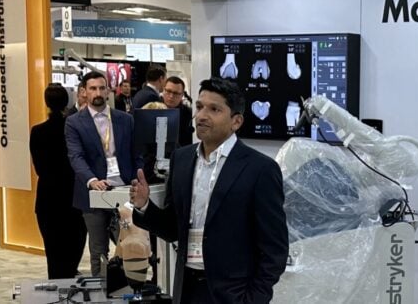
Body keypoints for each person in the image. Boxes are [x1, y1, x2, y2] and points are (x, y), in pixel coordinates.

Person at [131, 79, 287, 304]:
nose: (202, 115)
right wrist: (145, 205)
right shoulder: (182, 159)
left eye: (214, 109)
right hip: (187, 288)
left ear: (236, 121)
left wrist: (254, 297)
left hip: (234, 293)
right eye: (199, 107)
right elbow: (174, 228)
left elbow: (275, 248)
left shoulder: (260, 169)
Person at [66, 71, 142, 277]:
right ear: (84, 92)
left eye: (102, 88)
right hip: (94, 192)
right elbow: (76, 156)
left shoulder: (125, 119)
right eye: (93, 88)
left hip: (125, 189)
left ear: (108, 90)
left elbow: (138, 152)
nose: (98, 92)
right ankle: (100, 291)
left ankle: (127, 290)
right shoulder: (74, 122)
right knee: (98, 249)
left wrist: (137, 176)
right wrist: (91, 180)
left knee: (130, 245)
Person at [33, 83, 87, 279]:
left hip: (48, 199)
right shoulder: (76, 128)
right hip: (74, 197)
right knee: (72, 253)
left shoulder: (37, 132)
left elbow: (39, 168)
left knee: (53, 256)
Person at [162, 76, 195, 147]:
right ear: (163, 90)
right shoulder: (154, 108)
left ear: (182, 95)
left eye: (176, 93)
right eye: (168, 91)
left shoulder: (188, 115)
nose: (171, 96)